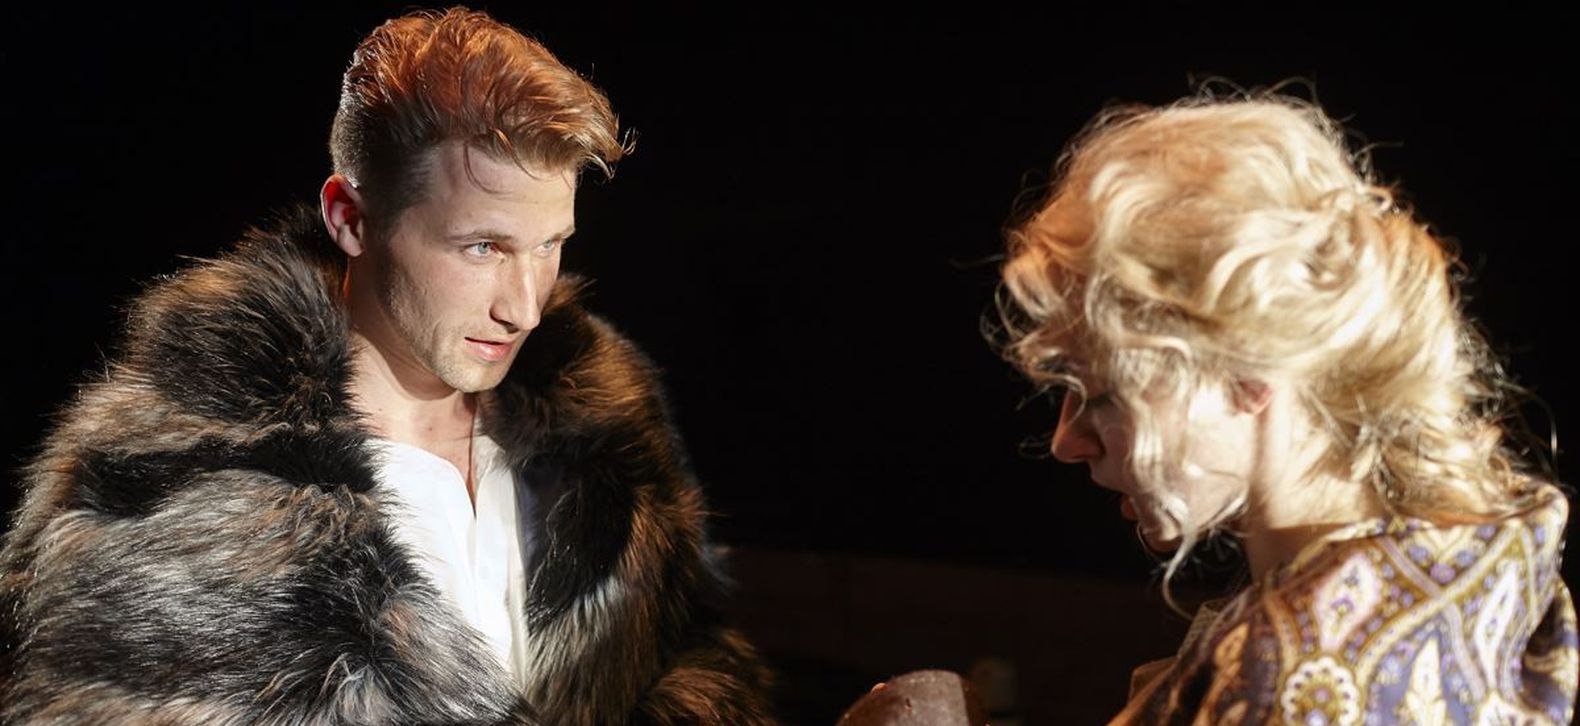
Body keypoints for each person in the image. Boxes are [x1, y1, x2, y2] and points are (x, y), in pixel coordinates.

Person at [0, 7, 774, 724]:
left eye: (550, 246)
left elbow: (695, 656)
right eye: (483, 247)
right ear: (350, 218)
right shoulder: (162, 500)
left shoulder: (604, 443)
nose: (525, 307)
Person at [996, 94, 1577, 724]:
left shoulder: (1298, 682)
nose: (1066, 440)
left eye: (1101, 391)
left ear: (1245, 371)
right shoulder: (1470, 583)